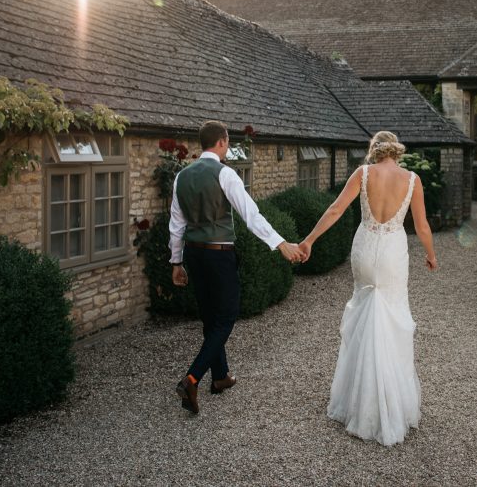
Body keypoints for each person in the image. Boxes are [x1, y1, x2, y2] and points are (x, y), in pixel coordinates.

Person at [299, 131, 438, 446]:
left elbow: (335, 210)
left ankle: (356, 401)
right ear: (396, 152)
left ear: (374, 151)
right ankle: (389, 404)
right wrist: (430, 255)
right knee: (391, 318)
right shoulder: (413, 180)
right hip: (392, 254)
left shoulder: (362, 174)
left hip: (364, 250)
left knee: (364, 312)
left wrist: (308, 240)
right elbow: (422, 226)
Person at [170, 120, 305, 415]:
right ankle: (192, 379)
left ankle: (220, 377)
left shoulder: (182, 176)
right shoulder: (225, 173)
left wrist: (176, 262)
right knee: (227, 316)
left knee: (210, 317)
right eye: (228, 142)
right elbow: (250, 214)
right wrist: (281, 243)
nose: (228, 147)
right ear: (221, 141)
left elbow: (176, 224)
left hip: (193, 254)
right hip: (219, 255)